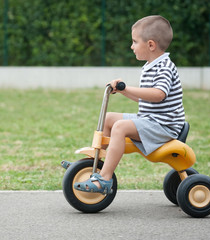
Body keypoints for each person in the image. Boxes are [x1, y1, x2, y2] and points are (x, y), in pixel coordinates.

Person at [74, 15, 185, 194]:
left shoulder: (164, 67)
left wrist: (128, 87)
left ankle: (105, 178)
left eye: (134, 41)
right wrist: (125, 91)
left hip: (164, 126)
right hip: (151, 119)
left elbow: (158, 95)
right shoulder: (151, 65)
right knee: (109, 119)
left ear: (150, 45)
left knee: (120, 127)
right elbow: (147, 99)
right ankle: (94, 165)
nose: (131, 46)